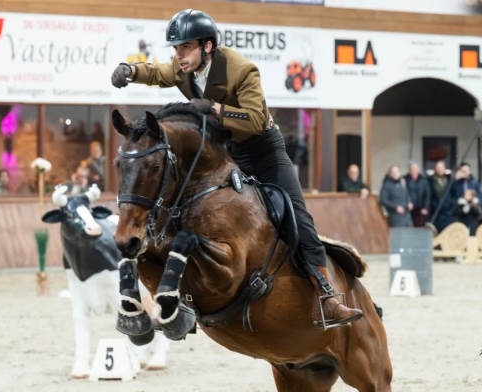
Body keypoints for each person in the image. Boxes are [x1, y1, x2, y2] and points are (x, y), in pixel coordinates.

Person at [110, 8, 364, 329]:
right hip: (227, 152)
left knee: (296, 214)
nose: (179, 56)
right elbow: (159, 73)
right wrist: (130, 70)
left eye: (185, 48)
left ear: (207, 47)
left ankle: (327, 293)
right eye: (176, 49)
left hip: (263, 151)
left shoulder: (242, 69)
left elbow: (256, 120)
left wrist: (215, 108)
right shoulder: (183, 66)